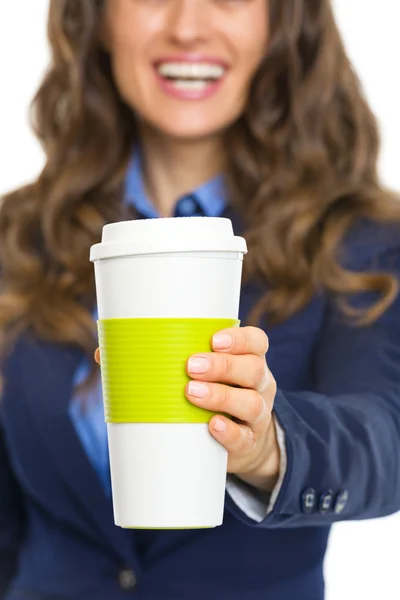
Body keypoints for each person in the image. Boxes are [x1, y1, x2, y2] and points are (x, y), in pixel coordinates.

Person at [1, 0, 400, 598]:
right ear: (98, 20)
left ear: (281, 22)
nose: (188, 26)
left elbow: (383, 441)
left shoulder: (359, 241)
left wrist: (268, 445)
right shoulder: (17, 238)